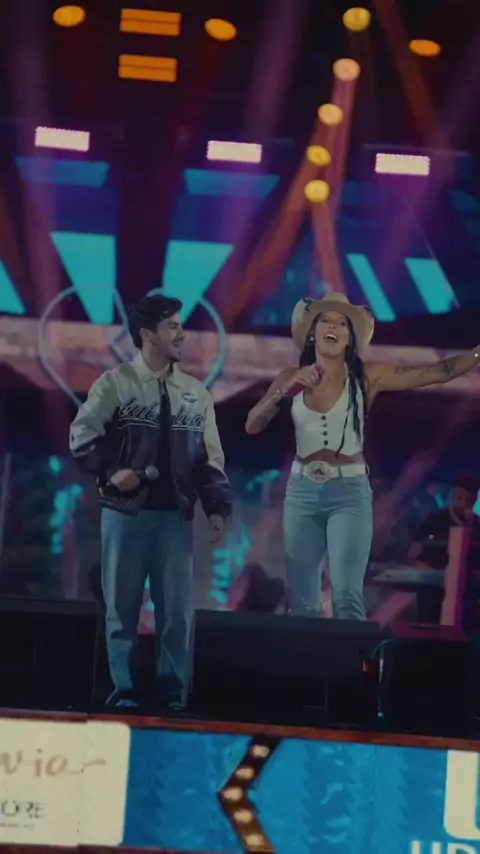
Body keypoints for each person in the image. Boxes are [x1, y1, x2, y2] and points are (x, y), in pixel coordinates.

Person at [246, 293, 480, 621]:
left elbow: (436, 372)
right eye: (325, 321)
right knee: (303, 595)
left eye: (342, 323)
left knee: (346, 592)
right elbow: (253, 424)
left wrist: (475, 354)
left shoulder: (368, 376)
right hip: (305, 490)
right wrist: (282, 392)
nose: (333, 327)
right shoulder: (290, 376)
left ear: (350, 337)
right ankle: (301, 650)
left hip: (348, 490)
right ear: (313, 333)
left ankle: (348, 652)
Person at [70, 294, 233, 710]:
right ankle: (123, 693)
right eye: (173, 326)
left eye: (181, 325)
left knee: (177, 613)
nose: (182, 334)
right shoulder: (115, 383)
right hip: (124, 515)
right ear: (147, 334)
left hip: (175, 519)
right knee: (121, 610)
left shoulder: (196, 394)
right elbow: (81, 438)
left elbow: (209, 459)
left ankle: (173, 697)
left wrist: (217, 508)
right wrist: (111, 471)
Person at [408, 475, 480, 623]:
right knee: (429, 626)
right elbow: (413, 554)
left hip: (467, 594)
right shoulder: (434, 521)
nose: (464, 503)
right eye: (460, 497)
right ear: (453, 494)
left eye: (469, 499)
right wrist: (430, 572)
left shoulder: (477, 525)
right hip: (432, 592)